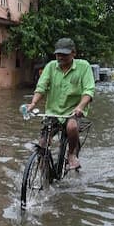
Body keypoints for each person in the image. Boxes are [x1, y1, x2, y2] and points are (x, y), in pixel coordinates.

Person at [24, 38, 94, 170]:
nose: (60, 57)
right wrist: (33, 103)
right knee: (43, 142)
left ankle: (72, 154)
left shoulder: (84, 66)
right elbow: (41, 87)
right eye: (58, 54)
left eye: (64, 54)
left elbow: (89, 91)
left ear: (73, 53)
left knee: (72, 127)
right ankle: (44, 169)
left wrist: (80, 107)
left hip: (73, 110)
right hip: (53, 111)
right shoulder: (51, 66)